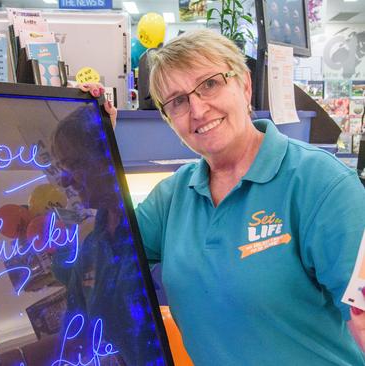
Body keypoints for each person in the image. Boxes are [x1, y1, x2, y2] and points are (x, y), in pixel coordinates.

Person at [83, 28, 365, 365]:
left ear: (244, 85)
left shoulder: (321, 184)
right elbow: (107, 246)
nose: (198, 110)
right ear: (169, 119)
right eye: (178, 101)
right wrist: (95, 141)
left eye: (210, 84)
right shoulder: (173, 197)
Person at [50, 106, 162, 365]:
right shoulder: (90, 248)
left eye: (74, 165)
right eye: (62, 168)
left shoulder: (153, 223)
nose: (65, 181)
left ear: (107, 156)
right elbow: (76, 330)